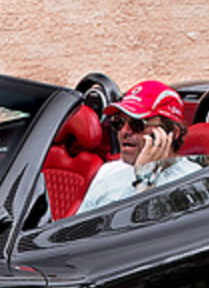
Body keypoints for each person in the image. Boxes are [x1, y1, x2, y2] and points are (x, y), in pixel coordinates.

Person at [76, 80, 201, 214]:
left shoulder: (193, 181)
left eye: (137, 125)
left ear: (172, 133)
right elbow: (78, 230)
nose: (124, 132)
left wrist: (145, 181)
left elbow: (152, 233)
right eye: (118, 123)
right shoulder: (108, 171)